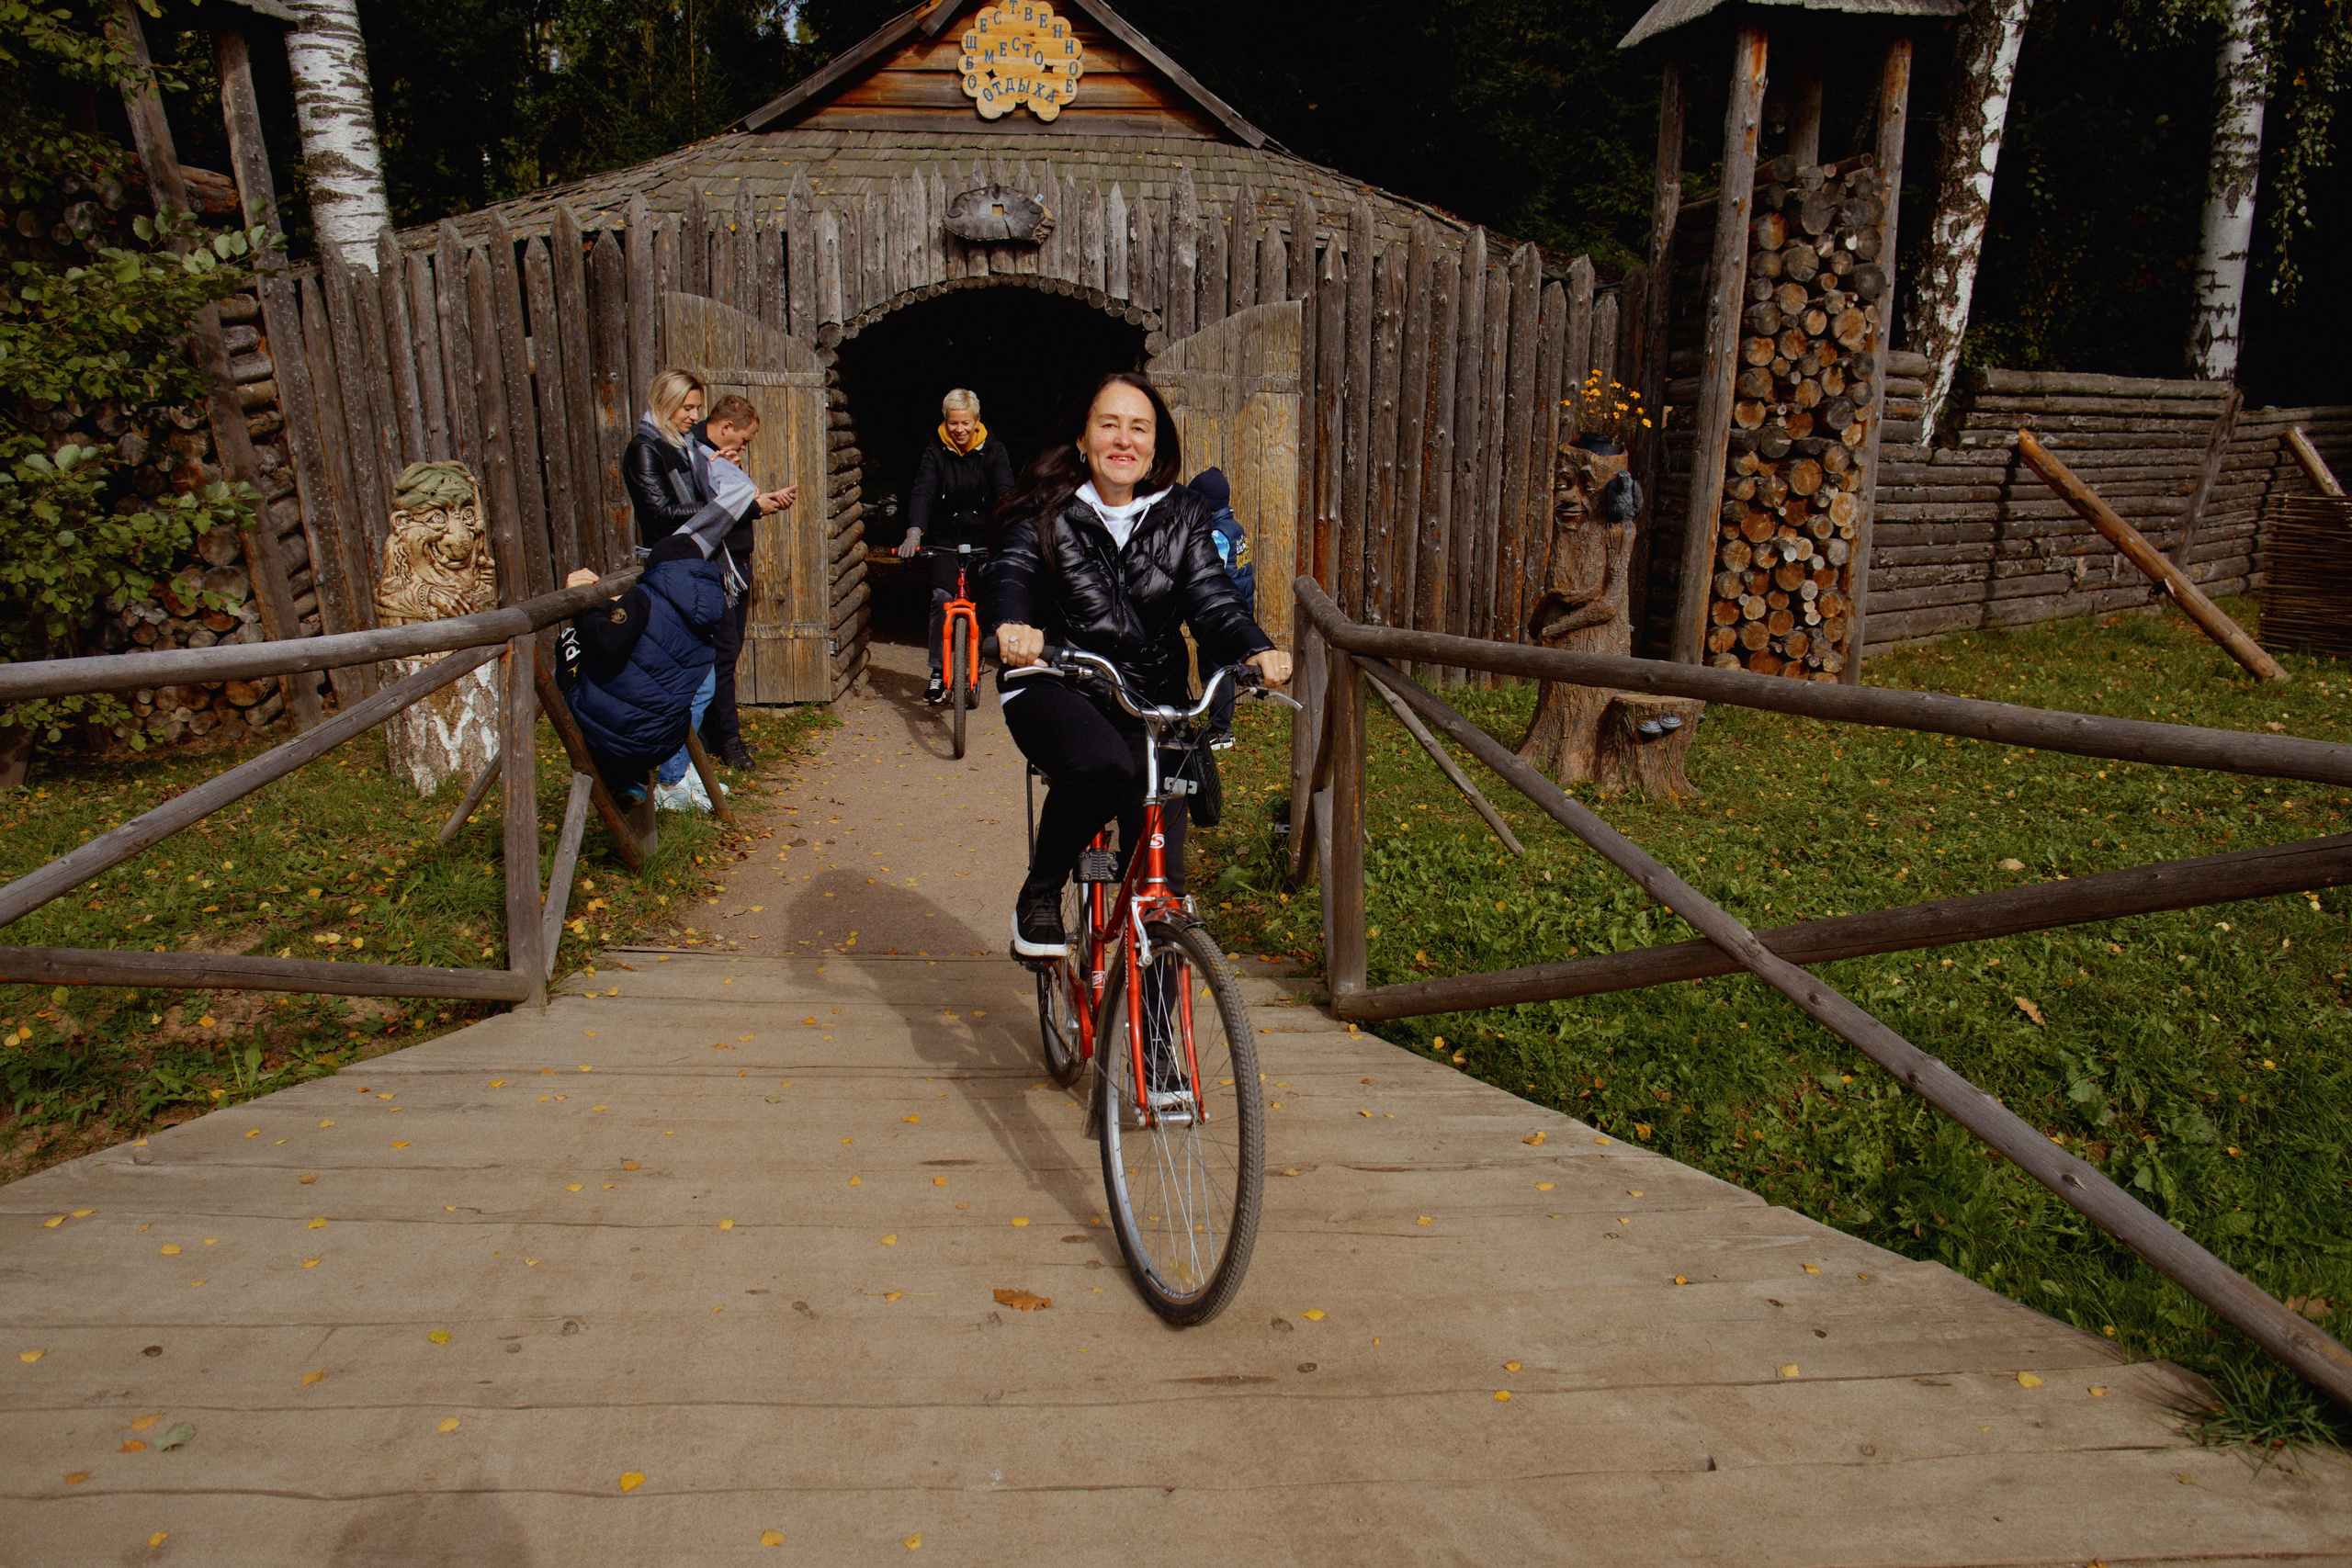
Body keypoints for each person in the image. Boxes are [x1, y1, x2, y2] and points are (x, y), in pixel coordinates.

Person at [984, 371, 1293, 958]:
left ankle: (1158, 1041)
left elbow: (1212, 598)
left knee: (1160, 885)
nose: (1123, 440)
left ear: (1156, 444)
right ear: (1082, 438)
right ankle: (1042, 892)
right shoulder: (1041, 510)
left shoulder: (1184, 513)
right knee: (1101, 766)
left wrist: (1254, 646)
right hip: (1055, 681)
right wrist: (1012, 627)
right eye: (1109, 425)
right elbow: (1013, 572)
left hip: (1152, 699)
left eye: (1139, 427)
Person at [557, 534, 729, 807]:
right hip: (663, 744)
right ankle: (631, 776)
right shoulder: (709, 615)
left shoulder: (642, 599)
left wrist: (587, 607)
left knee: (569, 639)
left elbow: (607, 644)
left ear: (658, 568)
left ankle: (602, 763)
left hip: (610, 734)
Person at [689, 394, 796, 772]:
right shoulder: (696, 456)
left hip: (735, 568)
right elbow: (713, 511)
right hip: (718, 570)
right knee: (719, 656)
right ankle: (725, 740)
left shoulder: (718, 457)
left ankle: (714, 734)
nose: (744, 447)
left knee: (726, 655)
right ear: (727, 427)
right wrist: (755, 506)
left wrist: (760, 498)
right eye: (744, 439)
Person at [898, 389, 1013, 706]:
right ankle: (937, 670)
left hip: (984, 538)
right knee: (941, 598)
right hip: (946, 538)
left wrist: (1007, 532)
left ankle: (978, 658)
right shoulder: (936, 450)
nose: (959, 430)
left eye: (965, 423)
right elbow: (923, 490)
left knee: (988, 599)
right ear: (945, 422)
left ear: (976, 421)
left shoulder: (993, 450)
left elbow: (1005, 492)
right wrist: (914, 532)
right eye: (953, 423)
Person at [1187, 465, 1251, 750]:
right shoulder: (1233, 528)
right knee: (1221, 667)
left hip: (1221, 614)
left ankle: (1221, 731)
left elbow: (1211, 575)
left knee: (1217, 671)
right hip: (1237, 607)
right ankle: (1219, 725)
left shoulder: (1215, 535)